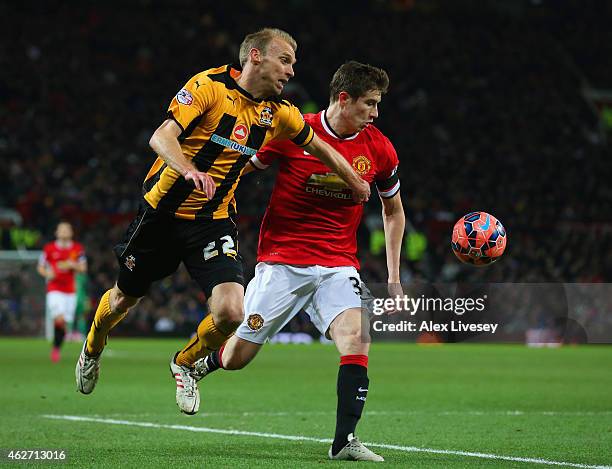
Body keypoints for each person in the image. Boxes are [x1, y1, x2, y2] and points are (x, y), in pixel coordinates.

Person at [75, 28, 371, 413]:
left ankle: (183, 364)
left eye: (294, 63)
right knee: (121, 300)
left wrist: (356, 181)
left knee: (232, 311)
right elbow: (161, 137)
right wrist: (188, 170)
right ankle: (94, 345)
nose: (291, 71)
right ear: (255, 56)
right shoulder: (208, 86)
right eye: (285, 60)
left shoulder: (279, 113)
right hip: (161, 216)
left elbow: (320, 146)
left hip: (212, 221)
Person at [191, 61, 405, 461]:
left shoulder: (380, 148)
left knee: (358, 338)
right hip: (282, 263)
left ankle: (344, 441)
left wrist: (393, 275)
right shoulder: (292, 131)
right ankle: (201, 364)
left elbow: (393, 211)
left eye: (378, 105)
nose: (376, 113)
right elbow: (240, 169)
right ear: (344, 99)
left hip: (340, 264)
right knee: (238, 358)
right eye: (370, 104)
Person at [37, 221, 87, 362]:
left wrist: (72, 264)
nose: (64, 232)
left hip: (70, 291)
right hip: (54, 289)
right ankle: (56, 349)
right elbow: (40, 267)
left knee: (64, 323)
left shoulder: (77, 249)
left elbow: (83, 268)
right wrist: (48, 273)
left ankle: (56, 346)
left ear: (71, 233)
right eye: (62, 230)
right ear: (56, 233)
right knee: (58, 319)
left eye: (67, 230)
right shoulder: (49, 248)